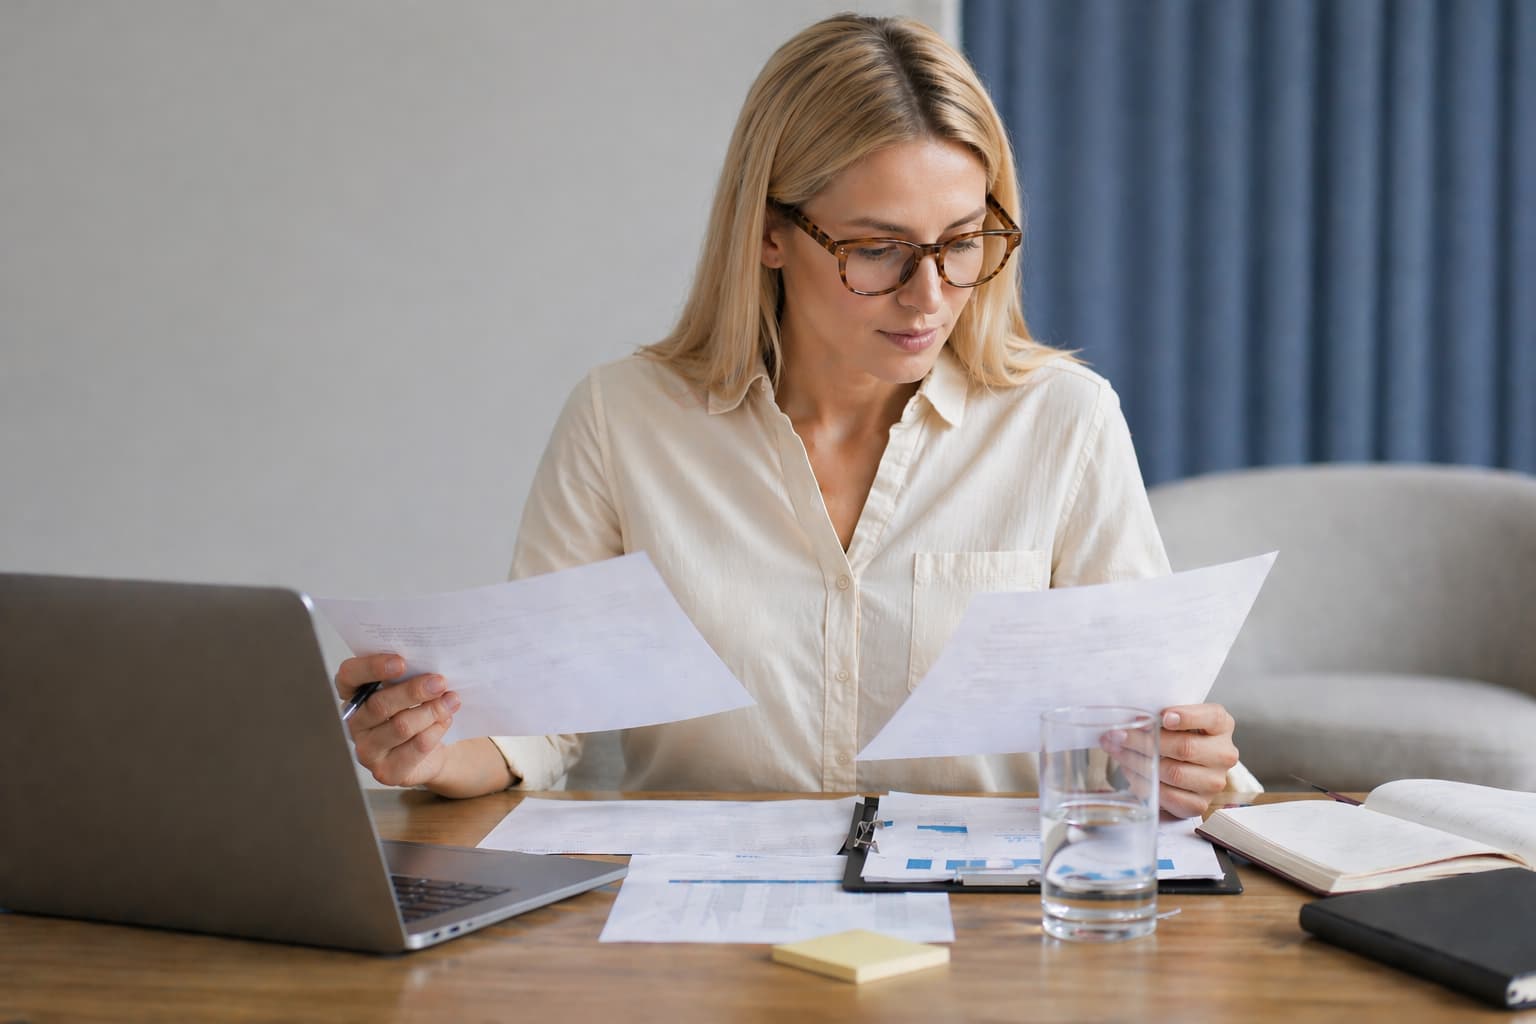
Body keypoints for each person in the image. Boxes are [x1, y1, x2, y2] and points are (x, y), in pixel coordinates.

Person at [335, 14, 1257, 817]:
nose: (930, 296)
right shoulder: (625, 420)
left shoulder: (1064, 422)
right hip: (700, 923)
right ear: (770, 233)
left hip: (983, 926)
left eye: (963, 242)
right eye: (878, 251)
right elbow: (535, 725)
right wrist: (432, 749)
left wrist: (1180, 767)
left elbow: (1139, 743)